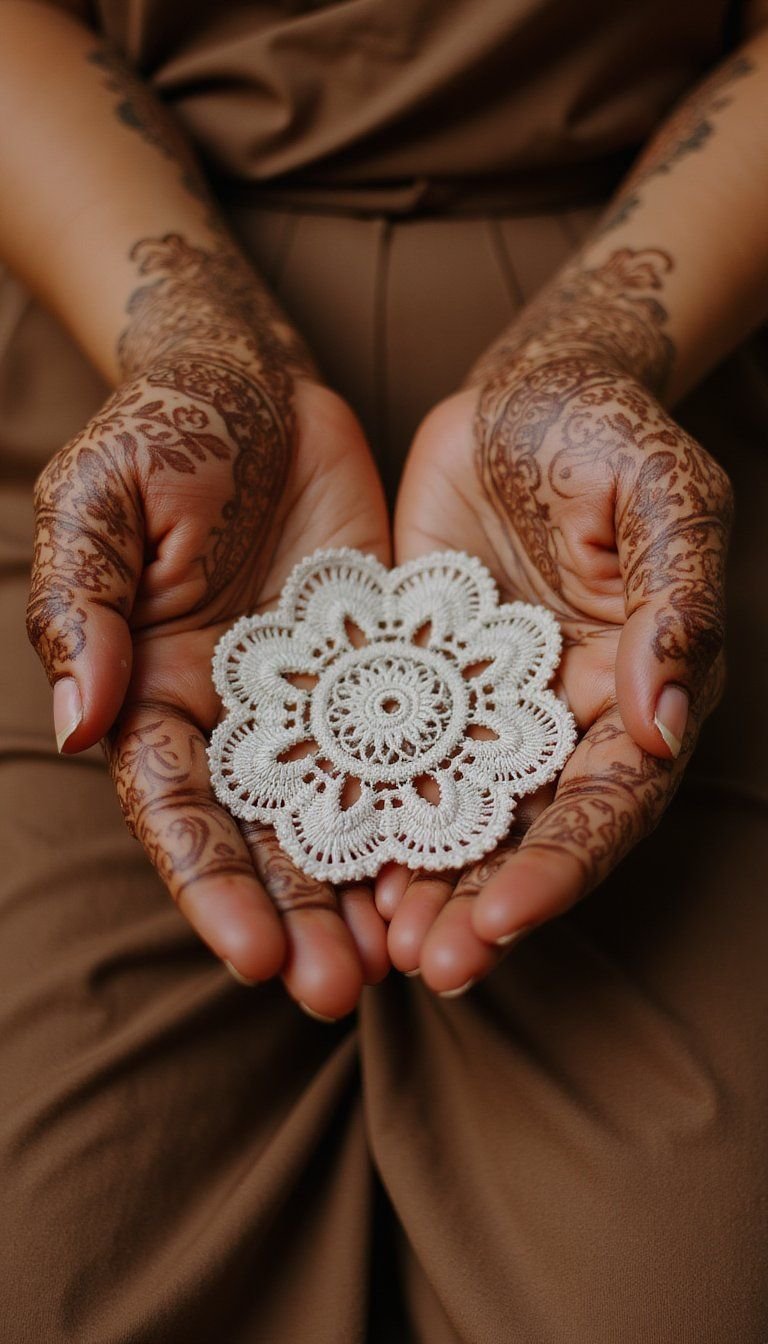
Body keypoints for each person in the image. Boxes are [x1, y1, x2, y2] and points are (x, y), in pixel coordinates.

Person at [0, 1, 765, 1339]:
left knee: (683, 1293)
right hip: (113, 296)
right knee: (48, 1265)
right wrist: (198, 346)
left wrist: (593, 345)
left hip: (670, 330)